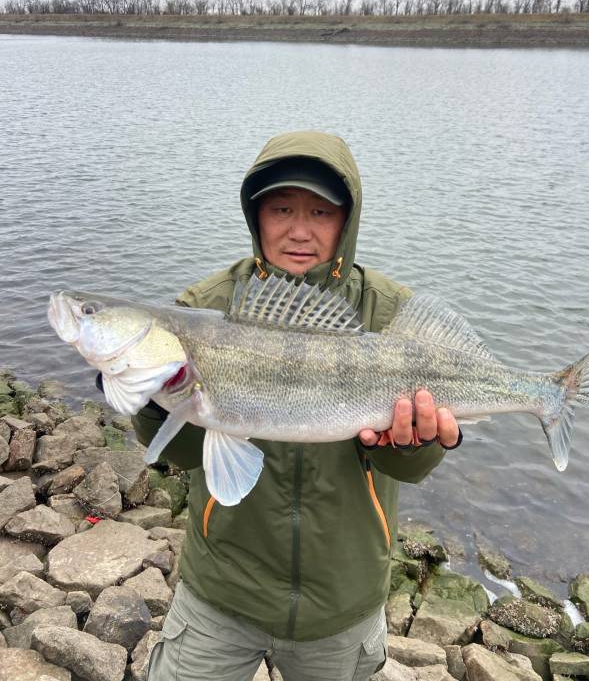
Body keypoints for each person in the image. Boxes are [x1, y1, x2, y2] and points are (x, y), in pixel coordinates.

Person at [132, 131, 461, 681]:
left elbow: (410, 467)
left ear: (347, 220)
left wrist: (418, 442)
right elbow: (182, 453)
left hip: (343, 604)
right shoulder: (203, 310)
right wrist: (148, 396)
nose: (300, 230)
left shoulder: (390, 314)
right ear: (255, 216)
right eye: (281, 208)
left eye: (321, 212)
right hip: (221, 592)